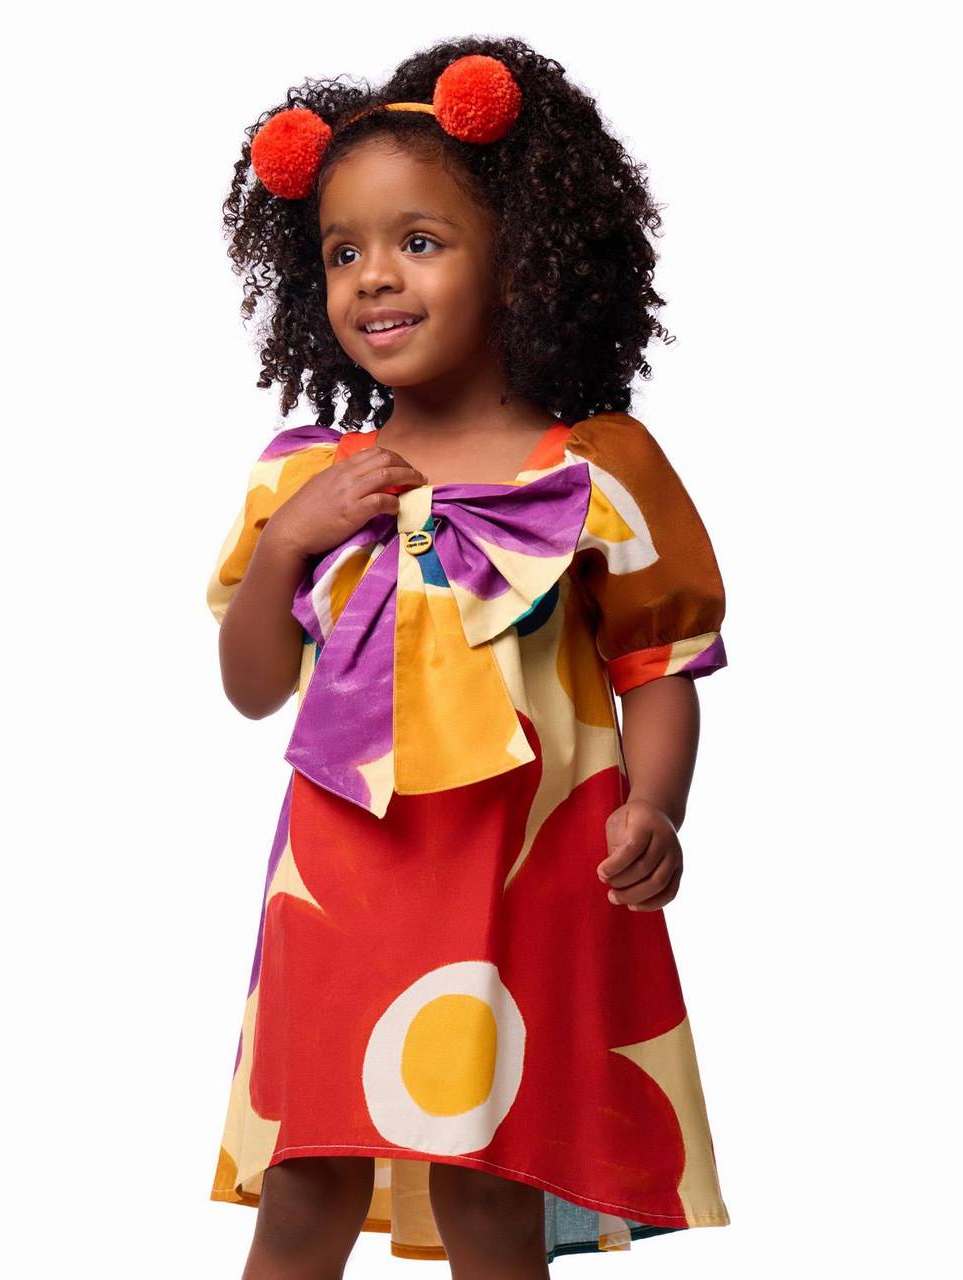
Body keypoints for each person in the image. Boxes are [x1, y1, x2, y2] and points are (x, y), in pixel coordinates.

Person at [205, 36, 731, 1279]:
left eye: (419, 241)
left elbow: (658, 665)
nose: (374, 278)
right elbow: (252, 687)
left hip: (523, 874)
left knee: (491, 1185)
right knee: (305, 1175)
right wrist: (288, 545)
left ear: (523, 258)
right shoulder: (302, 476)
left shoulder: (595, 470)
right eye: (343, 252)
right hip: (340, 882)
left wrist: (657, 804)